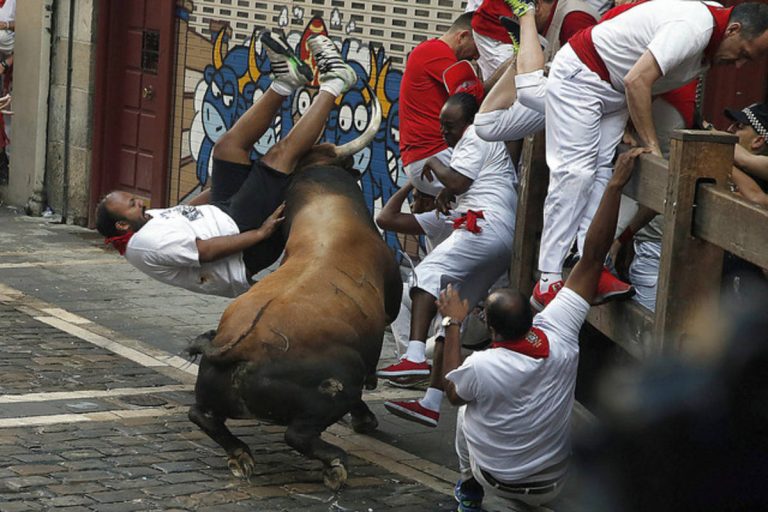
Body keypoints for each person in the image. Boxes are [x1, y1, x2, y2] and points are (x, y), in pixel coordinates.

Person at [439, 148, 647, 511]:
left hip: (497, 481)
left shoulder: (483, 366)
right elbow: (593, 258)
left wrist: (453, 322)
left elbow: (453, 390)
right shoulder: (558, 331)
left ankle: (470, 491)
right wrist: (614, 185)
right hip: (554, 482)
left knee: (463, 408)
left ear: (489, 326)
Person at [532, 1, 768, 311]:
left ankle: (589, 263)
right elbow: (637, 80)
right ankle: (547, 280)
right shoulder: (695, 27)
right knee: (575, 173)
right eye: (743, 54)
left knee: (603, 174)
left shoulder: (712, 32)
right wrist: (653, 148)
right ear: (734, 30)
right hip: (585, 74)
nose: (738, 65)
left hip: (612, 90)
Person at [95, 32, 357, 297]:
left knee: (226, 149)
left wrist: (224, 182)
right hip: (243, 239)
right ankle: (336, 82)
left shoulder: (145, 223)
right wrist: (260, 233)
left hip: (226, 210)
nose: (139, 201)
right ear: (122, 226)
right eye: (131, 205)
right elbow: (205, 251)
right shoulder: (146, 243)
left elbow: (184, 212)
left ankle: (284, 83)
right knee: (278, 156)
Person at [376, 92, 518, 427]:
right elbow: (460, 184)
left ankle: (413, 357)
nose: (444, 133)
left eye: (449, 126)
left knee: (426, 273)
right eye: (441, 126)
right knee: (452, 318)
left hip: (485, 226)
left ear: (467, 123)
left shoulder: (477, 134)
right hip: (499, 237)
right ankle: (432, 401)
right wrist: (447, 190)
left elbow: (458, 179)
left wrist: (434, 166)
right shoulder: (483, 143)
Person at [473, 0, 598, 144]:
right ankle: (521, 54)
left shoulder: (575, 19)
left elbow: (583, 79)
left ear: (536, 7)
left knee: (489, 123)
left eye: (517, 15)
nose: (516, 20)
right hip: (568, 96)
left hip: (585, 101)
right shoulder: (549, 18)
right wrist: (519, 59)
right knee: (485, 123)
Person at [399, 12, 481, 197]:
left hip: (429, 156)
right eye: (477, 47)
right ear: (462, 36)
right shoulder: (435, 52)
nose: (476, 56)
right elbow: (477, 100)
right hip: (433, 153)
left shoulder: (430, 51)